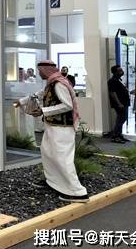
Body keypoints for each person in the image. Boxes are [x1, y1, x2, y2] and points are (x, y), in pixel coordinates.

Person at [14, 60, 89, 203]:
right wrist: (22, 101)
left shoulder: (59, 84)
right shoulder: (52, 83)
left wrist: (43, 111)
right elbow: (41, 94)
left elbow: (67, 105)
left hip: (62, 128)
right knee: (48, 153)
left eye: (40, 71)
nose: (39, 73)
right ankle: (54, 182)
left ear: (46, 70)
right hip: (53, 126)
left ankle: (77, 192)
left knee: (62, 158)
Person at [108, 65, 130, 144]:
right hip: (120, 104)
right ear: (115, 72)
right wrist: (119, 103)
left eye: (121, 70)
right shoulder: (112, 81)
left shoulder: (119, 80)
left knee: (122, 118)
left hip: (124, 102)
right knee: (121, 119)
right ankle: (115, 136)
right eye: (119, 70)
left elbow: (121, 91)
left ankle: (119, 135)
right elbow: (112, 93)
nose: (122, 72)